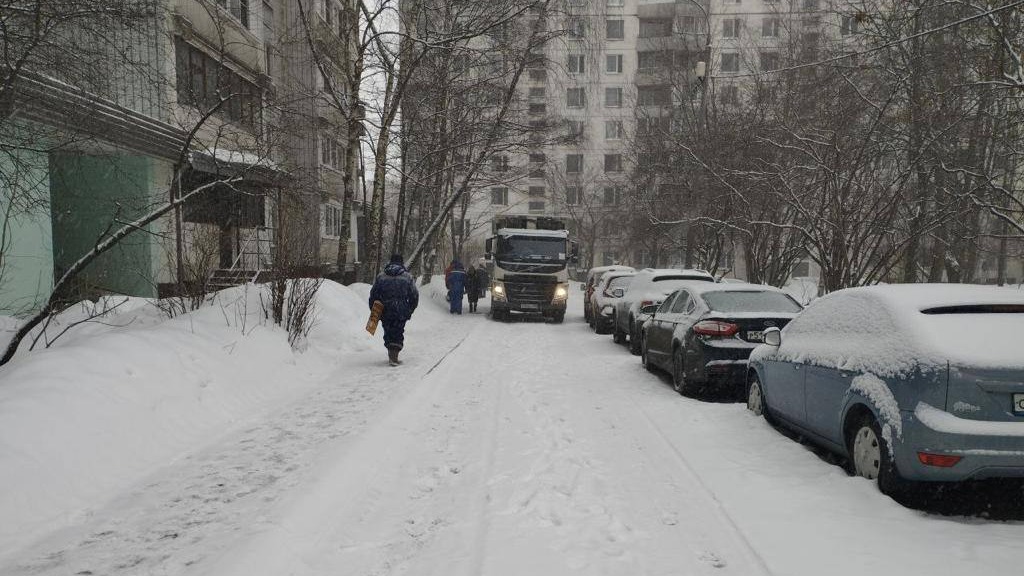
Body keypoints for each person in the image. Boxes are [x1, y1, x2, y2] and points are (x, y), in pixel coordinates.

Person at [369, 254, 419, 366]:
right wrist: (409, 310)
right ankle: (394, 355)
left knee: (388, 331)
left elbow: (373, 294)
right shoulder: (407, 277)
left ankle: (391, 354)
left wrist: (374, 310)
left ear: (390, 262)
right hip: (401, 309)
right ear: (401, 263)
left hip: (385, 309)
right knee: (398, 331)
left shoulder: (381, 277)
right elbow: (414, 296)